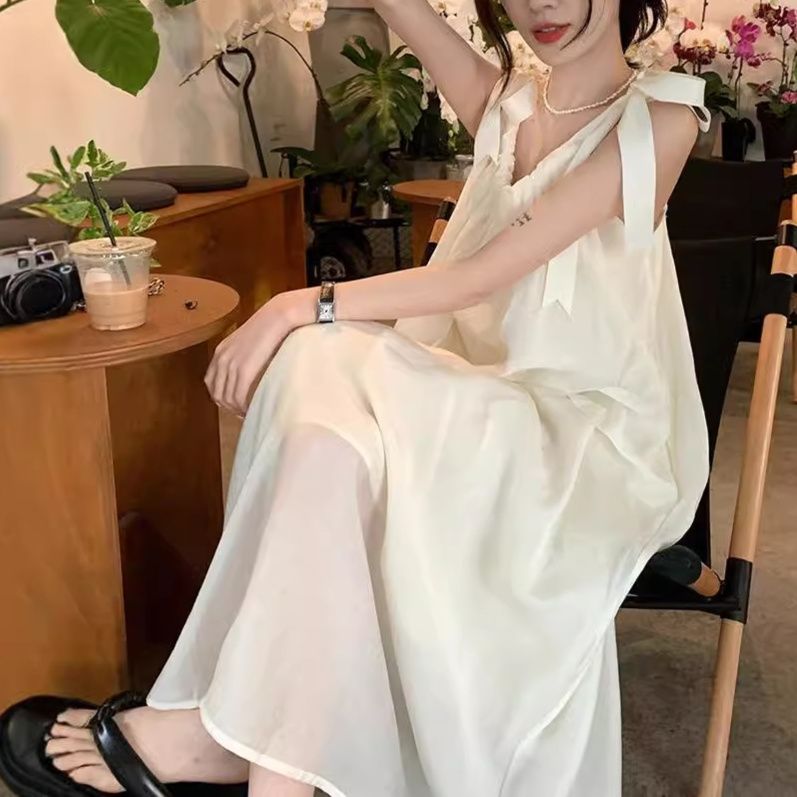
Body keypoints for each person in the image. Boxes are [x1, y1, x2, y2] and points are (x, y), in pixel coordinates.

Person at [0, 0, 711, 795]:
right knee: (325, 413)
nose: (541, 5)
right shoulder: (508, 103)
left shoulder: (660, 122)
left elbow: (477, 277)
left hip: (580, 436)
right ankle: (272, 769)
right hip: (471, 396)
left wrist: (295, 303)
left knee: (321, 345)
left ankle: (219, 738)